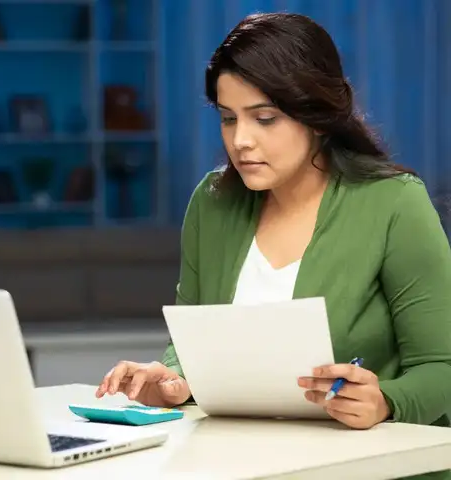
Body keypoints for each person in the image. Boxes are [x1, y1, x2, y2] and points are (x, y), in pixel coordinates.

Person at [96, 12, 451, 440]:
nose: (240, 140)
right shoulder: (212, 202)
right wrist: (173, 379)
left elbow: (442, 367)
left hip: (364, 462)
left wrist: (386, 401)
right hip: (239, 457)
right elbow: (191, 343)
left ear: (317, 117)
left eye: (264, 119)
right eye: (229, 118)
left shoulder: (393, 202)